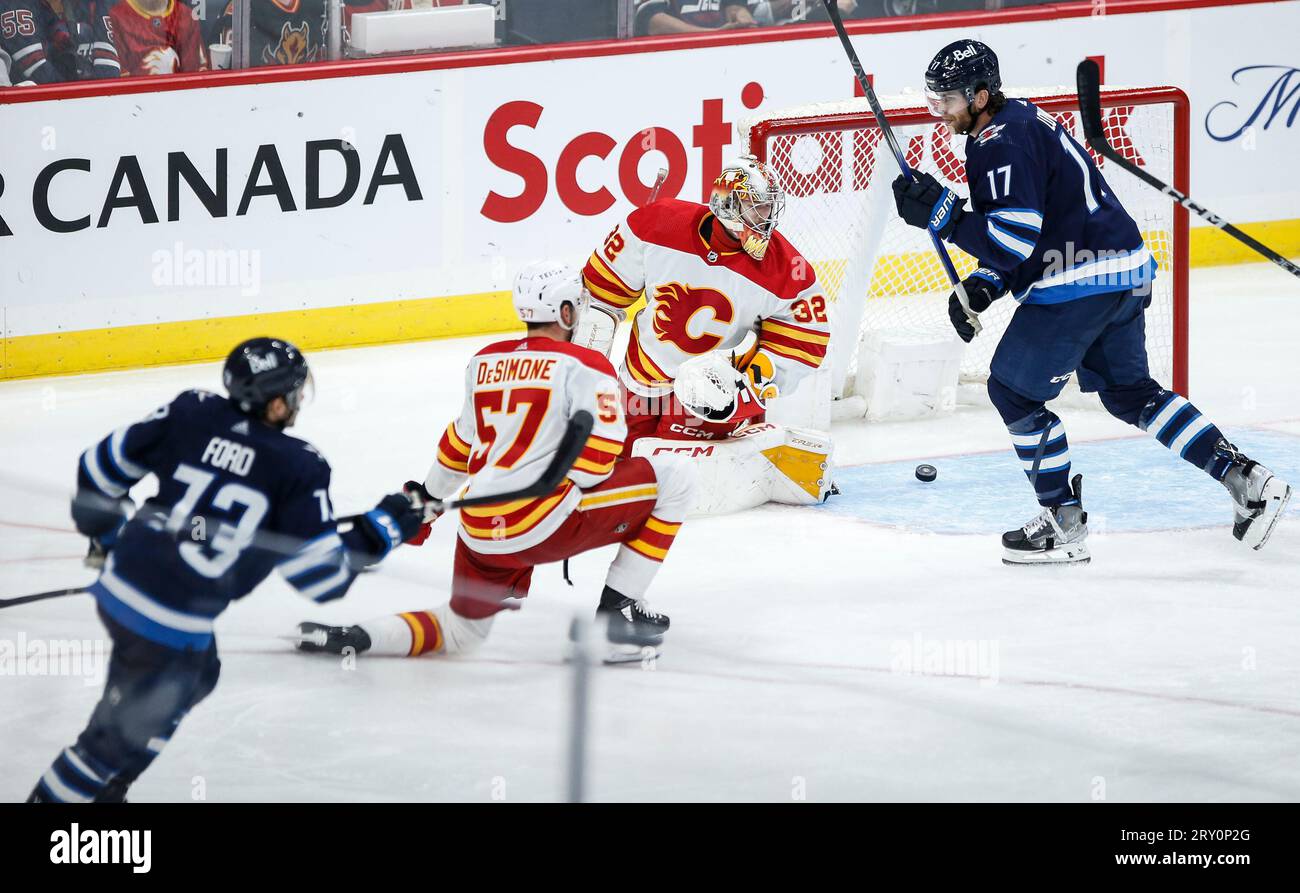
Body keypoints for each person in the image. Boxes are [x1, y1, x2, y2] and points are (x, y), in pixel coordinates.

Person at [891, 39, 1291, 564]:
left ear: (981, 95)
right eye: (935, 99)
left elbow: (1013, 239)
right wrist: (987, 282)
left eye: (949, 100)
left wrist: (946, 216)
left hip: (1077, 280)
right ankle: (1245, 478)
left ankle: (1062, 523)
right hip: (1124, 268)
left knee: (1013, 393)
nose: (939, 110)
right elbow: (1035, 225)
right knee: (1130, 393)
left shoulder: (995, 144)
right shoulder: (1018, 121)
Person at [28, 338, 423, 803]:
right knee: (104, 746)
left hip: (122, 590)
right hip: (168, 625)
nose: (299, 401)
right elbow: (321, 578)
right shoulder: (298, 466)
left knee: (201, 672)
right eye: (294, 393)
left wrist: (112, 539)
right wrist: (386, 526)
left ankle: (111, 779)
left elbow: (98, 472)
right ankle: (92, 788)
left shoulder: (191, 412)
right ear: (277, 404)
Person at [296, 262, 697, 664]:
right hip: (543, 523)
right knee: (675, 478)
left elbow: (457, 448)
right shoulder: (587, 366)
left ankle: (359, 636)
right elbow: (595, 468)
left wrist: (427, 505)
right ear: (566, 313)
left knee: (460, 631)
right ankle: (616, 623)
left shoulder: (483, 362)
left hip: (479, 531)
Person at [576, 155, 831, 457]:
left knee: (680, 485)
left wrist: (748, 388)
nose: (767, 216)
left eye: (769, 206)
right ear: (727, 205)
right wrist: (585, 375)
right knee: (618, 464)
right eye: (756, 207)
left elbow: (805, 339)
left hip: (713, 395)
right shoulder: (657, 224)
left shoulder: (785, 267)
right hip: (641, 382)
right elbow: (599, 298)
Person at [107, 0, 207, 76]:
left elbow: (194, 79)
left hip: (179, 99)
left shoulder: (186, 16)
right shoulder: (115, 17)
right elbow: (119, 87)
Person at [634, 0, 756, 36]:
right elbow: (652, 20)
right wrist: (715, 34)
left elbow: (734, 5)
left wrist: (740, 15)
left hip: (722, 53)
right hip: (674, 56)